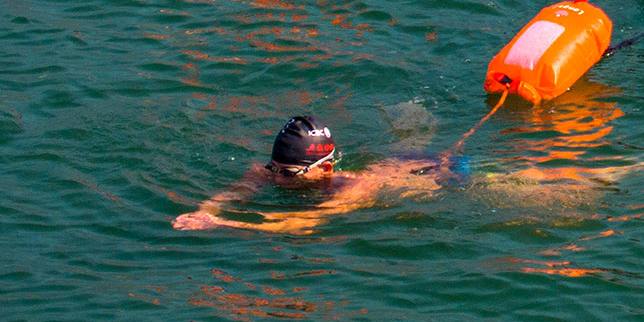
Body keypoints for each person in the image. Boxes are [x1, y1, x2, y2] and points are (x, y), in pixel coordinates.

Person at [171, 116, 604, 234]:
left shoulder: (353, 188)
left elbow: (300, 223)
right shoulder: (267, 172)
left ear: (325, 168)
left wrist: (222, 225)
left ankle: (621, 166)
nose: (277, 180)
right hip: (403, 162)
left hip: (438, 176)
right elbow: (231, 194)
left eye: (289, 175)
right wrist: (208, 210)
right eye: (276, 171)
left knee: (529, 183)